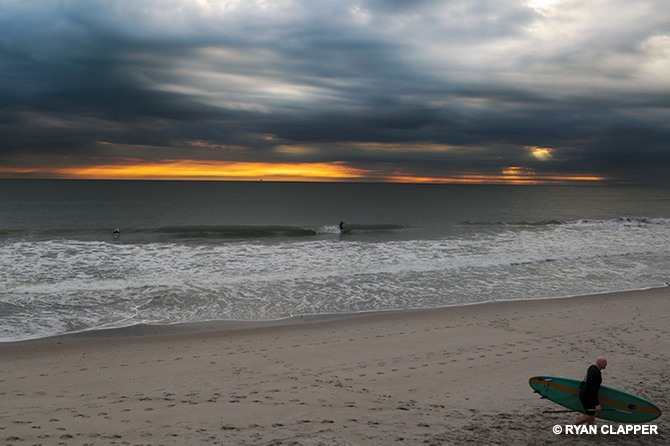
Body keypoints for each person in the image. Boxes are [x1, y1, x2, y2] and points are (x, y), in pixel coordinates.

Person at [573, 356, 608, 425]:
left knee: (593, 413)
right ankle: (571, 426)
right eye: (605, 364)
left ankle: (588, 429)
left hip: (585, 394)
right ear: (601, 364)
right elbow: (593, 390)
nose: (606, 365)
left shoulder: (592, 367)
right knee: (590, 415)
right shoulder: (596, 374)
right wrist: (597, 404)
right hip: (587, 397)